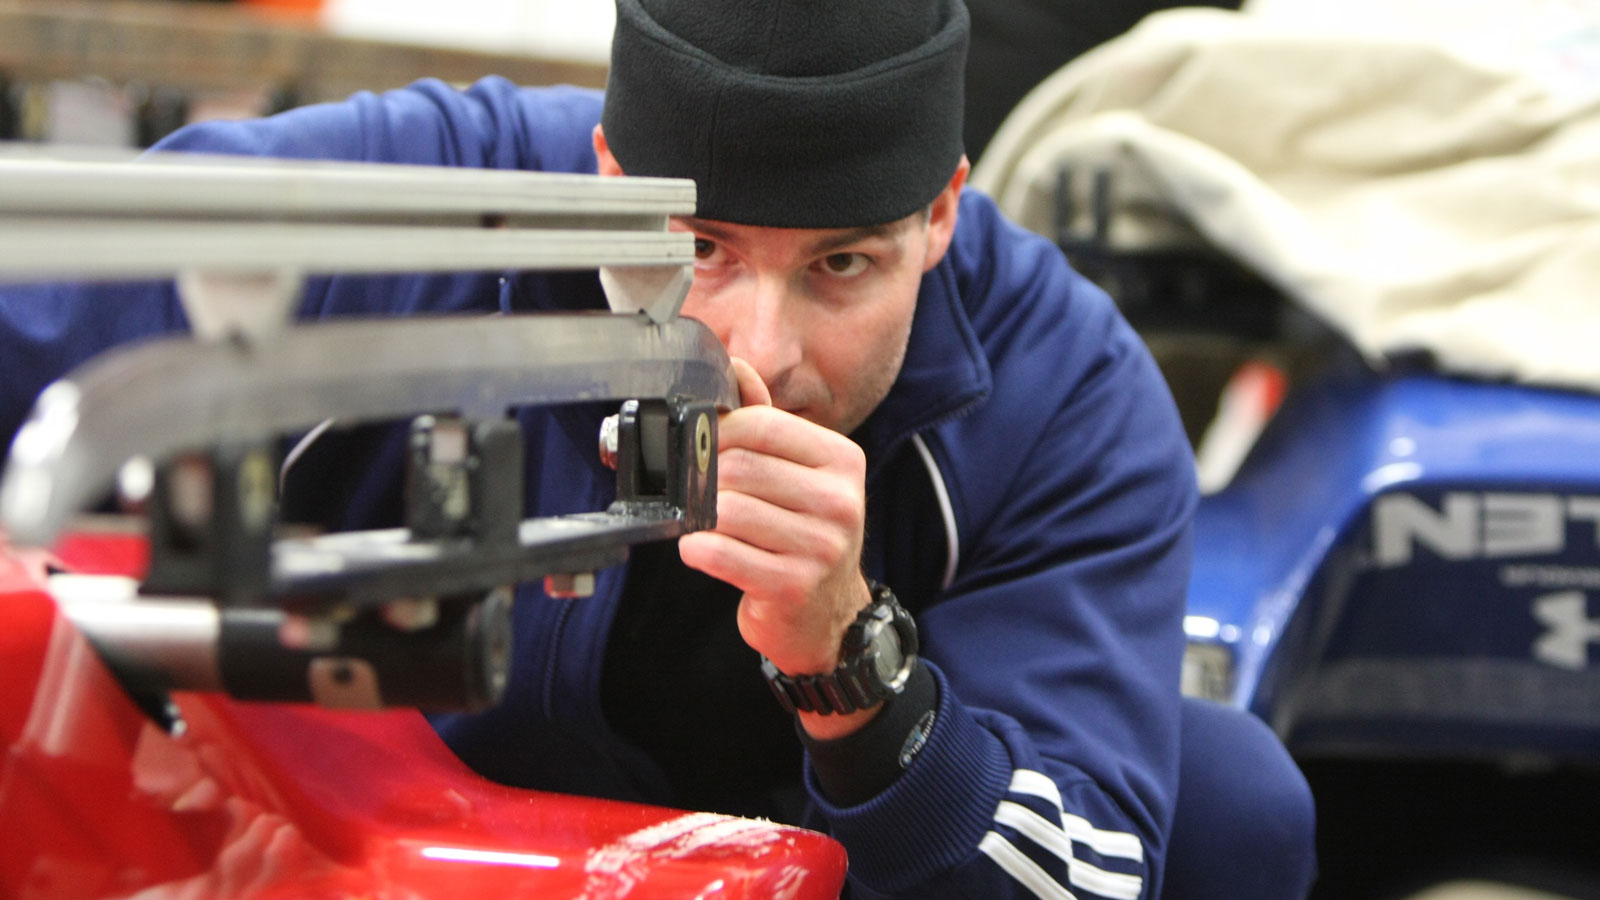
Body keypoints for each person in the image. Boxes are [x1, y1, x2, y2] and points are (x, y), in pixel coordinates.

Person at [0, 1, 1315, 897]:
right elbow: (43, 292)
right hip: (400, 824)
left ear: (941, 215)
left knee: (1232, 801)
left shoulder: (1066, 390)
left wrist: (855, 668)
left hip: (815, 861)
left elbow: (1083, 867)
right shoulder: (438, 201)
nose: (763, 349)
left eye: (843, 265)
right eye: (697, 252)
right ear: (608, 167)